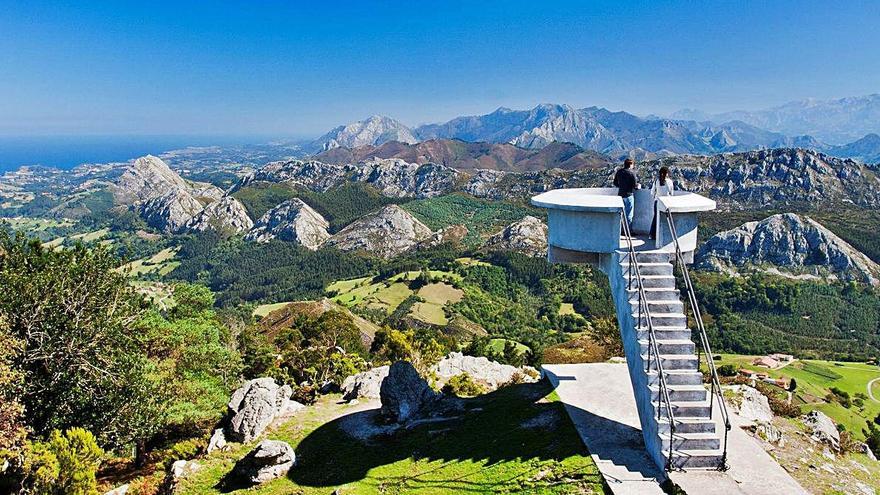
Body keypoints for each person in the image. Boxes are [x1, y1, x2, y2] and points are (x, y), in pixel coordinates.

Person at [613, 158, 639, 233]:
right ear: (630, 165)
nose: (633, 166)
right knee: (629, 215)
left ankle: (619, 231)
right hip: (628, 195)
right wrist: (638, 186)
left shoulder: (619, 172)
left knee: (620, 214)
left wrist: (621, 186)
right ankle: (628, 231)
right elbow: (634, 186)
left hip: (620, 195)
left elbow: (615, 183)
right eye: (633, 164)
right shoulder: (631, 173)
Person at [649, 166, 674, 239]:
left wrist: (655, 197)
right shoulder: (669, 182)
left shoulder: (657, 181)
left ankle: (652, 235)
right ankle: (662, 236)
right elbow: (671, 193)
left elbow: (652, 192)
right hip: (666, 203)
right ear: (667, 173)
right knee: (665, 219)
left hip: (657, 201)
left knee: (655, 218)